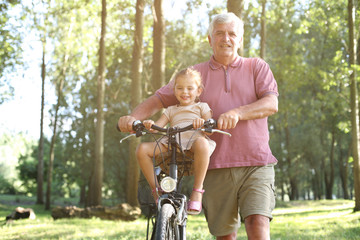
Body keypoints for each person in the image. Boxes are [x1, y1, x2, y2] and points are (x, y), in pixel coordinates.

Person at [118, 12, 278, 240]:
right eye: (219, 33)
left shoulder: (256, 67)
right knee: (225, 235)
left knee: (257, 223)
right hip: (214, 165)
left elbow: (271, 103)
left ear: (240, 39)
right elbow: (159, 99)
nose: (226, 38)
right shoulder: (195, 75)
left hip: (256, 162)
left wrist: (237, 113)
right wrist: (132, 118)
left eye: (232, 34)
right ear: (209, 39)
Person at [136, 67, 216, 215]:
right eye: (180, 88)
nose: (184, 92)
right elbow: (158, 126)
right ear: (174, 90)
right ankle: (156, 191)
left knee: (203, 143)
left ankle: (197, 190)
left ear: (198, 91)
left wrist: (203, 124)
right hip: (172, 141)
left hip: (193, 140)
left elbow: (209, 126)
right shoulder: (171, 109)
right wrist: (150, 125)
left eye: (189, 88)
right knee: (142, 149)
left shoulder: (202, 107)